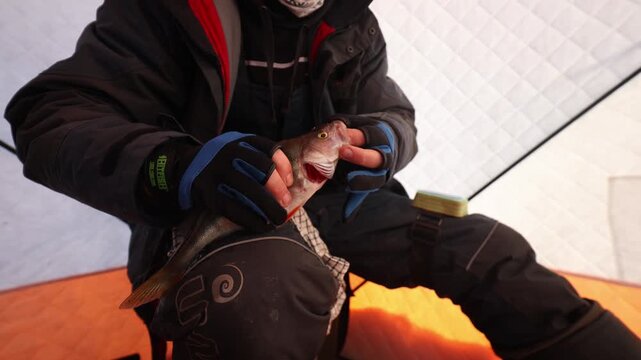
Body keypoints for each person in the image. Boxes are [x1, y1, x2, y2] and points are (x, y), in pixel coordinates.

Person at [5, 0, 641, 359]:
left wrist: (383, 142)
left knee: (485, 247)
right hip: (207, 217)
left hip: (335, 202)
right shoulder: (165, 12)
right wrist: (179, 165)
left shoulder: (352, 23)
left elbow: (393, 112)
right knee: (260, 301)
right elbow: (49, 117)